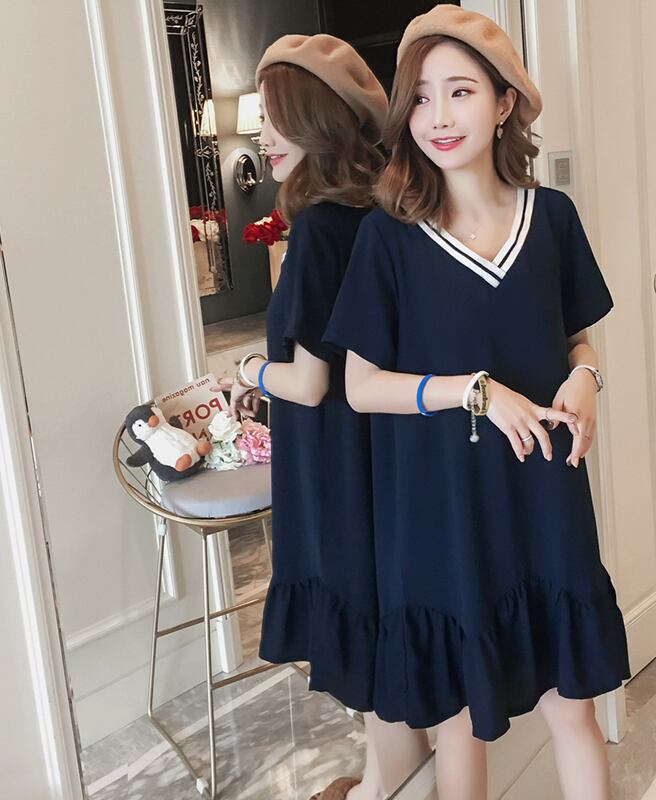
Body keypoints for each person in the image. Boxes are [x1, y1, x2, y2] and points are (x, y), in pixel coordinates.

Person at [322, 6, 632, 800]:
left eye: (460, 91)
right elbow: (361, 386)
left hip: (544, 500)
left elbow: (576, 340)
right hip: (444, 515)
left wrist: (587, 379)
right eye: (421, 98)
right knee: (462, 720)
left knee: (574, 710)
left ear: (504, 104)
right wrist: (474, 392)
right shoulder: (390, 239)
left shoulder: (551, 218)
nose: (438, 116)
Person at [212, 34, 431, 800]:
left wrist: (248, 371)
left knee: (357, 618)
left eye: (279, 118)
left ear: (317, 122)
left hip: (333, 461)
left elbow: (307, 383)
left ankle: (391, 778)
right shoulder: (377, 216)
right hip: (379, 451)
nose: (265, 136)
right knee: (378, 610)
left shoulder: (313, 233)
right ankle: (389, 768)